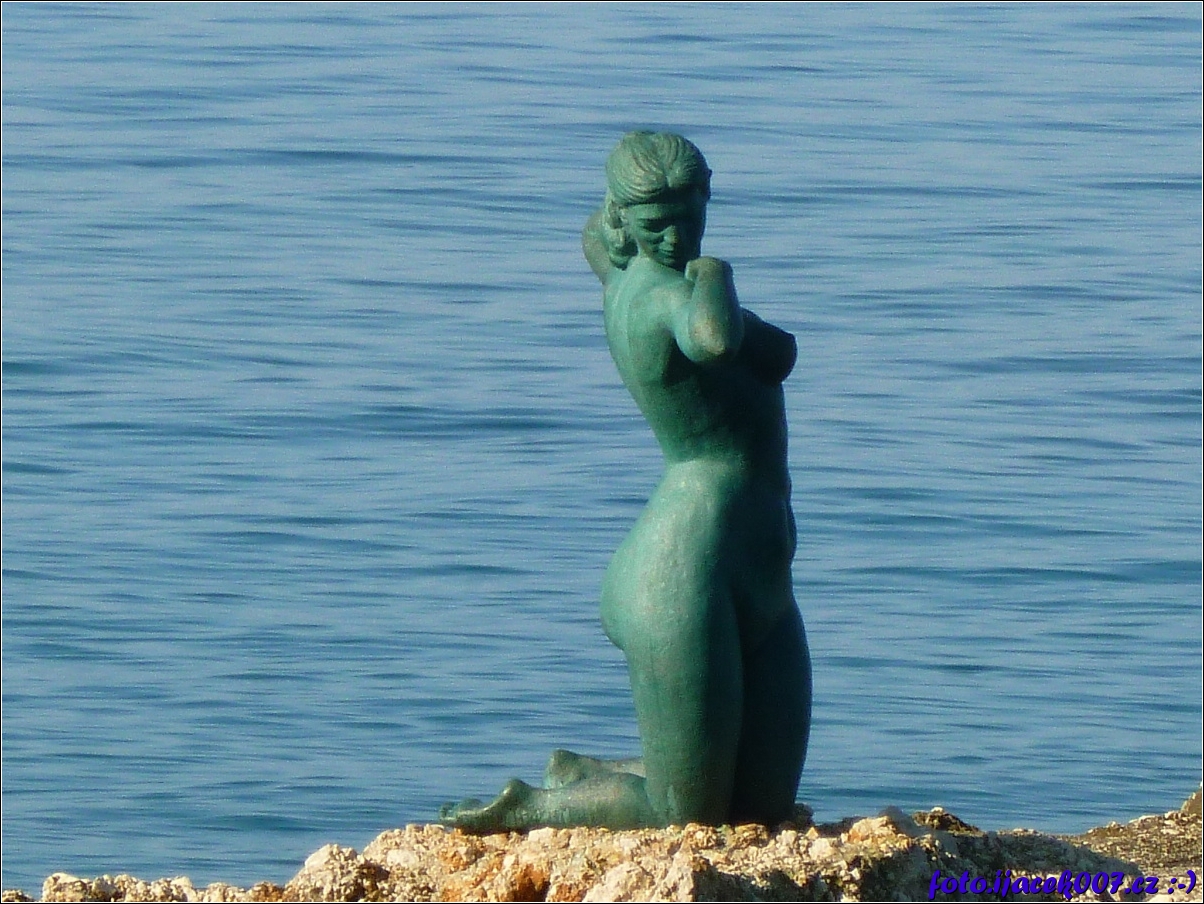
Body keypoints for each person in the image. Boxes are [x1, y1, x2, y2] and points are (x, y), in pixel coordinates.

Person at [441, 132, 811, 831]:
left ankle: (595, 769)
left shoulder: (624, 271)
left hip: (759, 568)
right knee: (687, 812)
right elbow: (715, 341)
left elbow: (774, 350)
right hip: (683, 573)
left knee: (761, 807)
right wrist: (714, 270)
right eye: (655, 224)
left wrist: (624, 230)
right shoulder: (666, 297)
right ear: (624, 217)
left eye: (689, 218)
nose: (675, 238)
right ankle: (533, 804)